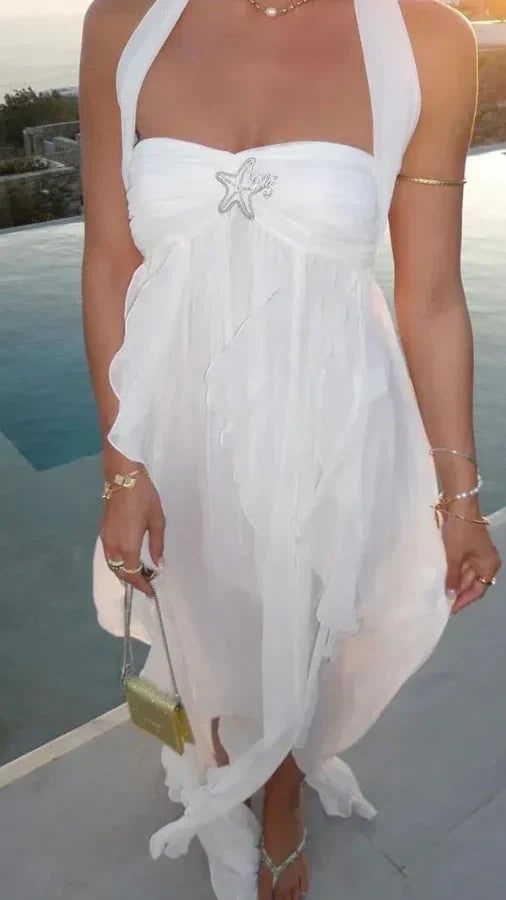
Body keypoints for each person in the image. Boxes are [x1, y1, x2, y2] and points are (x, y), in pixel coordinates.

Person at [79, 0, 501, 897]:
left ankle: (281, 795)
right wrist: (123, 468)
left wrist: (459, 495)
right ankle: (222, 751)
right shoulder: (124, 22)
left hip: (330, 418)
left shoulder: (428, 40)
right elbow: (111, 259)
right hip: (174, 422)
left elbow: (430, 297)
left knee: (304, 623)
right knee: (203, 613)